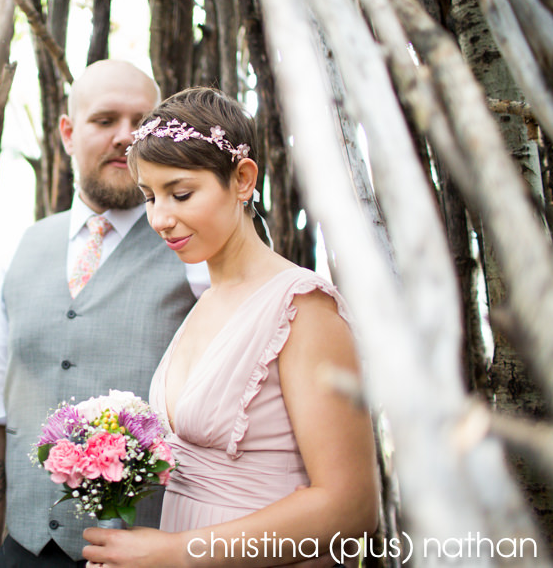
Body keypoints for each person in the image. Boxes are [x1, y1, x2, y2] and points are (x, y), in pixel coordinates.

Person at [83, 87, 379, 567]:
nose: (160, 218)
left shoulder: (302, 308)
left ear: (242, 179)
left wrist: (178, 552)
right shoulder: (206, 302)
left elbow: (352, 508)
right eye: (150, 196)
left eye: (180, 193)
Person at [0, 60, 209, 568]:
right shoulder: (22, 250)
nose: (126, 137)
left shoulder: (198, 253)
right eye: (105, 120)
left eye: (142, 122)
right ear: (69, 134)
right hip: (23, 553)